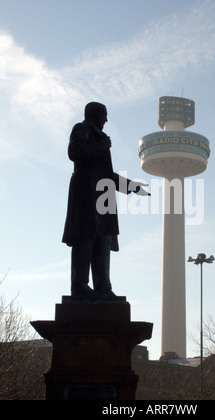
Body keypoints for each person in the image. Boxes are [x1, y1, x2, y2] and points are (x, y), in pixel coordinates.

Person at [62, 102, 149, 301]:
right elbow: (74, 151)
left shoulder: (100, 138)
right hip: (87, 193)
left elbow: (107, 174)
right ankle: (80, 286)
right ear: (95, 114)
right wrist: (100, 146)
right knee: (86, 237)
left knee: (103, 240)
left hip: (103, 196)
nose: (106, 120)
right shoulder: (82, 129)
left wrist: (132, 186)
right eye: (104, 115)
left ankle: (103, 287)